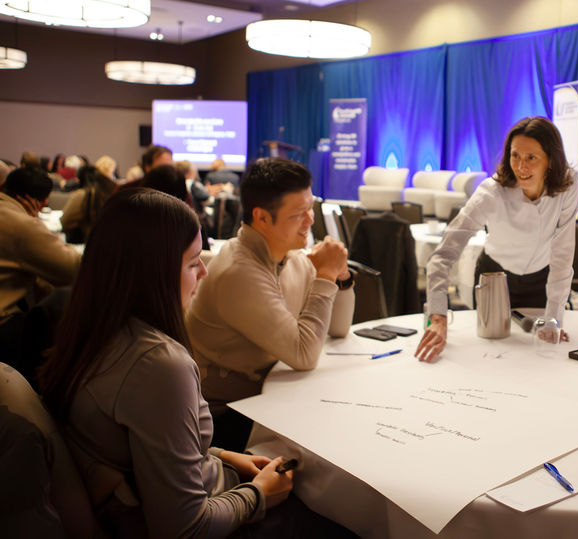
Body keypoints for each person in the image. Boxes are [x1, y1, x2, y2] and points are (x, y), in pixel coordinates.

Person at [37, 188, 351, 538]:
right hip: (207, 516)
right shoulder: (158, 366)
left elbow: (148, 448)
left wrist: (224, 457)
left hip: (180, 489)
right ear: (151, 274)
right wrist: (259, 494)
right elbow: (186, 527)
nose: (204, 272)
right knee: (342, 519)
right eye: (191, 263)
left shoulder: (91, 331)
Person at [186, 158, 354, 451]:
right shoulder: (239, 272)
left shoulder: (287, 258)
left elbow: (338, 330)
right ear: (262, 218)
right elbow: (304, 355)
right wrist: (326, 275)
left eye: (311, 209)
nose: (311, 221)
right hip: (225, 421)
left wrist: (342, 278)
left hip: (272, 399)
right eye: (299, 214)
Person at [416, 117, 578, 362]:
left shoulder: (567, 183)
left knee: (540, 359)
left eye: (531, 158)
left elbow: (563, 253)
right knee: (492, 356)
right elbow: (443, 255)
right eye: (515, 156)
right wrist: (437, 318)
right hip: (495, 280)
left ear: (550, 161)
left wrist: (554, 317)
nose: (521, 167)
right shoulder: (491, 193)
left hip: (541, 280)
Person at [0, 167, 80, 319]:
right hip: (4, 326)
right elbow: (72, 270)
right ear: (42, 202)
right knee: (65, 299)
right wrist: (35, 222)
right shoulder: (23, 225)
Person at [60, 165, 117, 244]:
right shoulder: (113, 190)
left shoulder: (84, 195)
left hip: (90, 244)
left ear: (79, 179)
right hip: (113, 243)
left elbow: (65, 222)